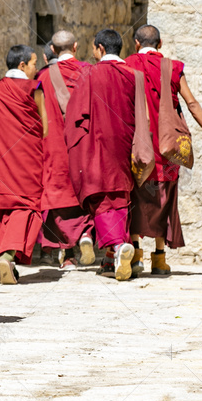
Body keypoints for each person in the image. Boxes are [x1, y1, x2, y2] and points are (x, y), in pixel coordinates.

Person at [125, 24, 202, 275]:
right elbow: (191, 103)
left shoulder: (128, 65)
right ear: (160, 44)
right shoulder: (172, 68)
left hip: (139, 143)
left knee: (136, 196)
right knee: (164, 197)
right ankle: (159, 258)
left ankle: (135, 255)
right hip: (167, 146)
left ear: (136, 43)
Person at [64, 28, 153, 281]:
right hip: (124, 146)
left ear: (100, 48)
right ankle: (114, 257)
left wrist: (75, 146)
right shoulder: (135, 76)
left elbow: (75, 116)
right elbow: (143, 116)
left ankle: (116, 246)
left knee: (101, 200)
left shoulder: (88, 74)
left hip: (96, 146)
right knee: (120, 196)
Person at [0, 44, 48, 284]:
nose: (36, 69)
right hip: (27, 160)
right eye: (34, 64)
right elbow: (45, 128)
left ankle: (0, 258)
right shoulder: (34, 88)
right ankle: (7, 255)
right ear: (22, 65)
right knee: (25, 205)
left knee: (0, 208)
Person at [36, 30, 95, 269]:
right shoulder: (89, 72)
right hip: (84, 144)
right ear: (77, 47)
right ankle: (86, 235)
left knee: (58, 196)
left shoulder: (42, 77)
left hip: (53, 147)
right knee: (84, 192)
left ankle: (67, 254)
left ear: (52, 50)